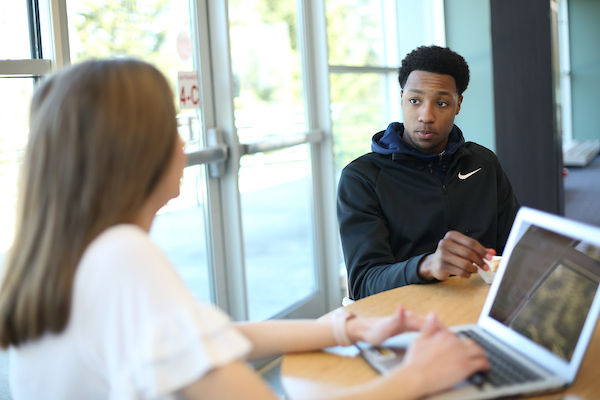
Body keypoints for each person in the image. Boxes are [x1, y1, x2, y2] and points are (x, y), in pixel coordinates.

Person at [0, 59, 488, 400]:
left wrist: (345, 327)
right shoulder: (122, 257)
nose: (181, 140)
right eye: (172, 124)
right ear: (135, 150)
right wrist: (418, 376)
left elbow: (211, 336)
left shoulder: (78, 252)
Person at [338, 45, 520, 300]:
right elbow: (364, 283)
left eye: (442, 103)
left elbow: (515, 249)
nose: (426, 116)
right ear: (402, 98)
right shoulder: (361, 178)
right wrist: (427, 266)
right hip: (405, 317)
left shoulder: (484, 163)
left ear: (458, 105)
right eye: (415, 100)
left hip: (481, 306)